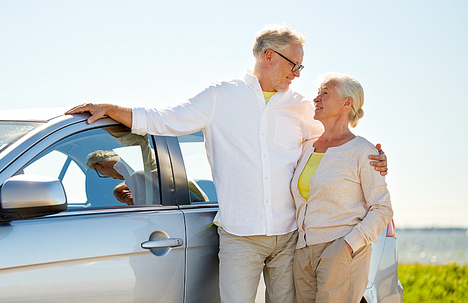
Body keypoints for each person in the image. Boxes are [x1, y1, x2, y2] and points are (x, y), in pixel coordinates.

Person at [66, 24, 388, 303]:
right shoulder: (221, 97)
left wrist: (374, 159)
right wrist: (111, 109)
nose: (297, 74)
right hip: (239, 237)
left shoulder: (301, 108)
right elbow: (165, 119)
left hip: (289, 238)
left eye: (301, 68)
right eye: (294, 64)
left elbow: (337, 142)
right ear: (268, 56)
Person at [290, 72, 393, 303]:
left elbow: (382, 209)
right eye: (317, 94)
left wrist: (347, 246)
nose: (316, 99)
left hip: (342, 252)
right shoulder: (305, 148)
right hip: (303, 253)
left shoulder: (363, 151)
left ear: (348, 102)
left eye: (325, 94)